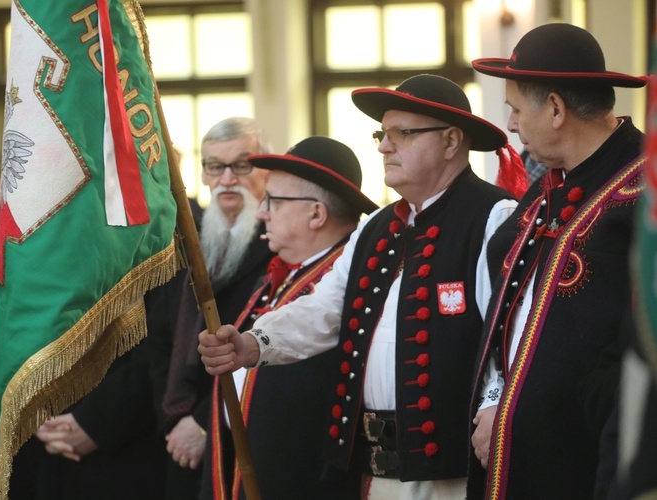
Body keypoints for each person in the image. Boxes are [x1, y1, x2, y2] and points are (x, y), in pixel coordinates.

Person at [199, 74, 522, 498]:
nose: (385, 146)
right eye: (382, 134)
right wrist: (254, 343)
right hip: (369, 471)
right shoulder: (376, 228)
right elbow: (326, 308)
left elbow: (509, 333)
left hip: (453, 471)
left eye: (402, 134)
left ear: (450, 142)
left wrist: (496, 401)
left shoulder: (494, 217)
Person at [35, 117, 274, 500]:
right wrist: (177, 419)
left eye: (242, 164)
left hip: (240, 435)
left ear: (266, 169)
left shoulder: (280, 245)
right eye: (215, 166)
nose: (228, 178)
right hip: (174, 439)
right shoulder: (191, 241)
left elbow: (269, 350)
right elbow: (161, 340)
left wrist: (200, 422)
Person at [466, 23, 648, 499]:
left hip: (588, 466)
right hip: (524, 457)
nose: (510, 125)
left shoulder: (644, 192)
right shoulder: (549, 185)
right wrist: (499, 404)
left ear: (554, 108)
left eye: (514, 109)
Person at [201, 136, 378, 499]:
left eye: (274, 201)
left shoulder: (350, 283)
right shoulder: (280, 277)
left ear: (316, 213)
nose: (262, 212)